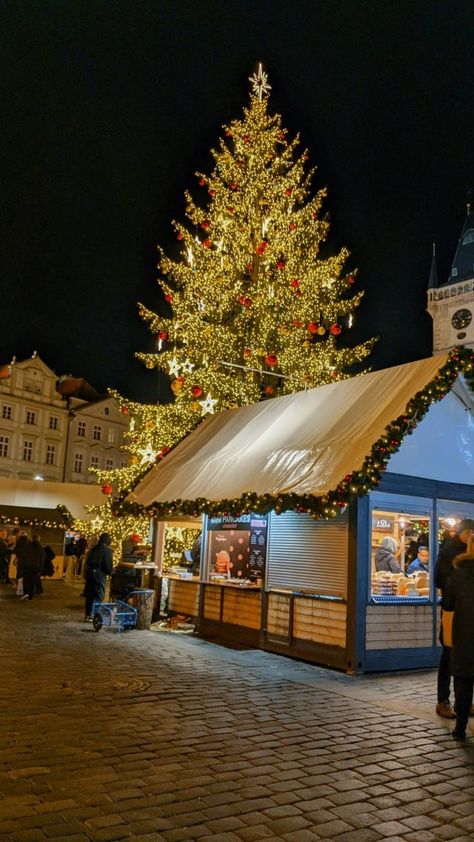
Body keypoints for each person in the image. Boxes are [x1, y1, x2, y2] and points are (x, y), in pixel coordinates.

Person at [434, 518, 474, 719]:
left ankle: (465, 702)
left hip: (468, 612)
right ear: (463, 532)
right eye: (470, 533)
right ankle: (443, 700)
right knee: (449, 655)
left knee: (468, 657)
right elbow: (440, 580)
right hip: (452, 612)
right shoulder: (449, 551)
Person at [443, 535, 474, 739]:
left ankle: (460, 727)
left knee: (463, 683)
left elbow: (448, 605)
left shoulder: (457, 575)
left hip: (465, 636)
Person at [83, 533, 113, 620]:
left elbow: (88, 560)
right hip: (99, 574)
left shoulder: (94, 548)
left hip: (90, 573)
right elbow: (108, 565)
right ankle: (95, 614)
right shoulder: (106, 550)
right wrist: (109, 572)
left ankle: (88, 614)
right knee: (98, 594)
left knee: (90, 594)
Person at [21, 534, 44, 601]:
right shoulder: (40, 548)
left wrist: (22, 565)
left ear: (32, 538)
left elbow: (24, 557)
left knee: (26, 580)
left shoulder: (27, 546)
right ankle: (30, 596)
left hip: (27, 566)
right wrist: (40, 569)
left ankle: (26, 593)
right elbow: (42, 559)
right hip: (36, 567)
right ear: (38, 539)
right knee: (32, 582)